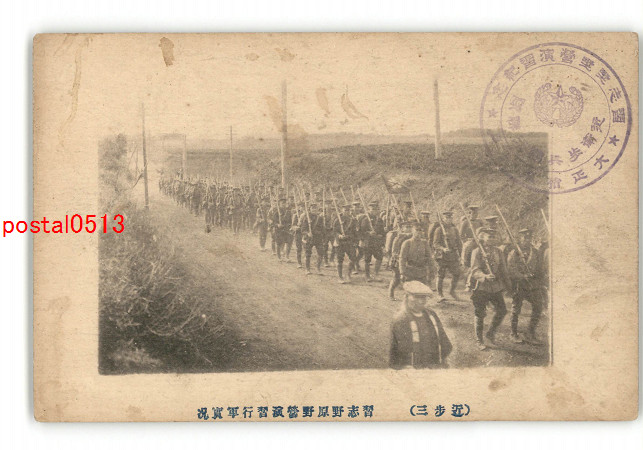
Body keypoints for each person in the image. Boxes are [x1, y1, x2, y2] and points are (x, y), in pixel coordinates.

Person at [389, 281, 453, 369]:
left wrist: (444, 360)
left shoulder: (431, 315)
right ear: (406, 297)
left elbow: (443, 339)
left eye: (423, 297)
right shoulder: (401, 319)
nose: (420, 301)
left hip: (434, 364)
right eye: (416, 297)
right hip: (413, 368)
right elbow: (397, 351)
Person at [469, 227, 511, 350]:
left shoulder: (498, 251)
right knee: (480, 313)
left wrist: (508, 286)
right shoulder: (477, 251)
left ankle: (490, 334)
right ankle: (479, 340)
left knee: (502, 310)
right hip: (481, 286)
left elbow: (503, 269)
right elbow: (474, 270)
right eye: (489, 236)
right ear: (483, 237)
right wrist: (484, 276)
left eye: (494, 237)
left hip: (495, 287)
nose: (492, 239)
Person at [507, 229, 545, 345]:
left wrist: (538, 279)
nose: (527, 240)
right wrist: (522, 276)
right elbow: (511, 268)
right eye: (524, 238)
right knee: (516, 309)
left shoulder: (535, 252)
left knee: (538, 306)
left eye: (529, 238)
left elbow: (539, 267)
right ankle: (513, 333)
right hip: (519, 284)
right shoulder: (514, 252)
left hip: (532, 284)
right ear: (520, 238)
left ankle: (530, 333)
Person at [431, 211, 462, 302]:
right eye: (447, 218)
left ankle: (452, 291)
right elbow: (435, 244)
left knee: (457, 273)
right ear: (443, 219)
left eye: (450, 218)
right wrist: (443, 248)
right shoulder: (439, 230)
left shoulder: (455, 229)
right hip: (442, 256)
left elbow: (459, 243)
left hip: (453, 255)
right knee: (441, 275)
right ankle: (440, 294)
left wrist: (460, 255)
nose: (449, 220)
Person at [358, 200, 386, 282]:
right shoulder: (365, 219)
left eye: (376, 209)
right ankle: (367, 276)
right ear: (369, 210)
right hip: (368, 242)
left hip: (376, 242)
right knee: (367, 259)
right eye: (373, 209)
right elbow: (360, 231)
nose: (374, 211)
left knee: (379, 257)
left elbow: (382, 231)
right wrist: (369, 233)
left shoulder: (379, 220)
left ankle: (376, 274)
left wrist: (381, 236)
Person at [332, 203, 357, 283]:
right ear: (342, 210)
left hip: (349, 241)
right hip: (340, 242)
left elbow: (355, 232)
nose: (347, 212)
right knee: (340, 260)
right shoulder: (337, 220)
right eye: (345, 210)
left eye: (348, 210)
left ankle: (348, 274)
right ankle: (340, 277)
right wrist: (339, 236)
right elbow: (334, 231)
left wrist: (355, 241)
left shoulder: (353, 220)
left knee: (353, 258)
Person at [388, 221, 412, 301]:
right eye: (407, 227)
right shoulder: (398, 238)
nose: (409, 229)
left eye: (410, 227)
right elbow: (394, 252)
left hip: (409, 261)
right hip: (397, 261)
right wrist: (401, 258)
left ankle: (408, 296)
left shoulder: (412, 238)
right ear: (402, 228)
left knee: (410, 279)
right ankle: (391, 293)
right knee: (396, 278)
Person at [299, 202, 325, 275]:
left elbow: (323, 229)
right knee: (308, 254)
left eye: (315, 208)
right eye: (312, 208)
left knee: (321, 253)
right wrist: (307, 233)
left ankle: (318, 268)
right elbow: (303, 229)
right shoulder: (306, 217)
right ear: (310, 209)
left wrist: (321, 234)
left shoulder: (320, 218)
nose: (314, 209)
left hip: (318, 238)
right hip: (309, 238)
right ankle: (307, 269)